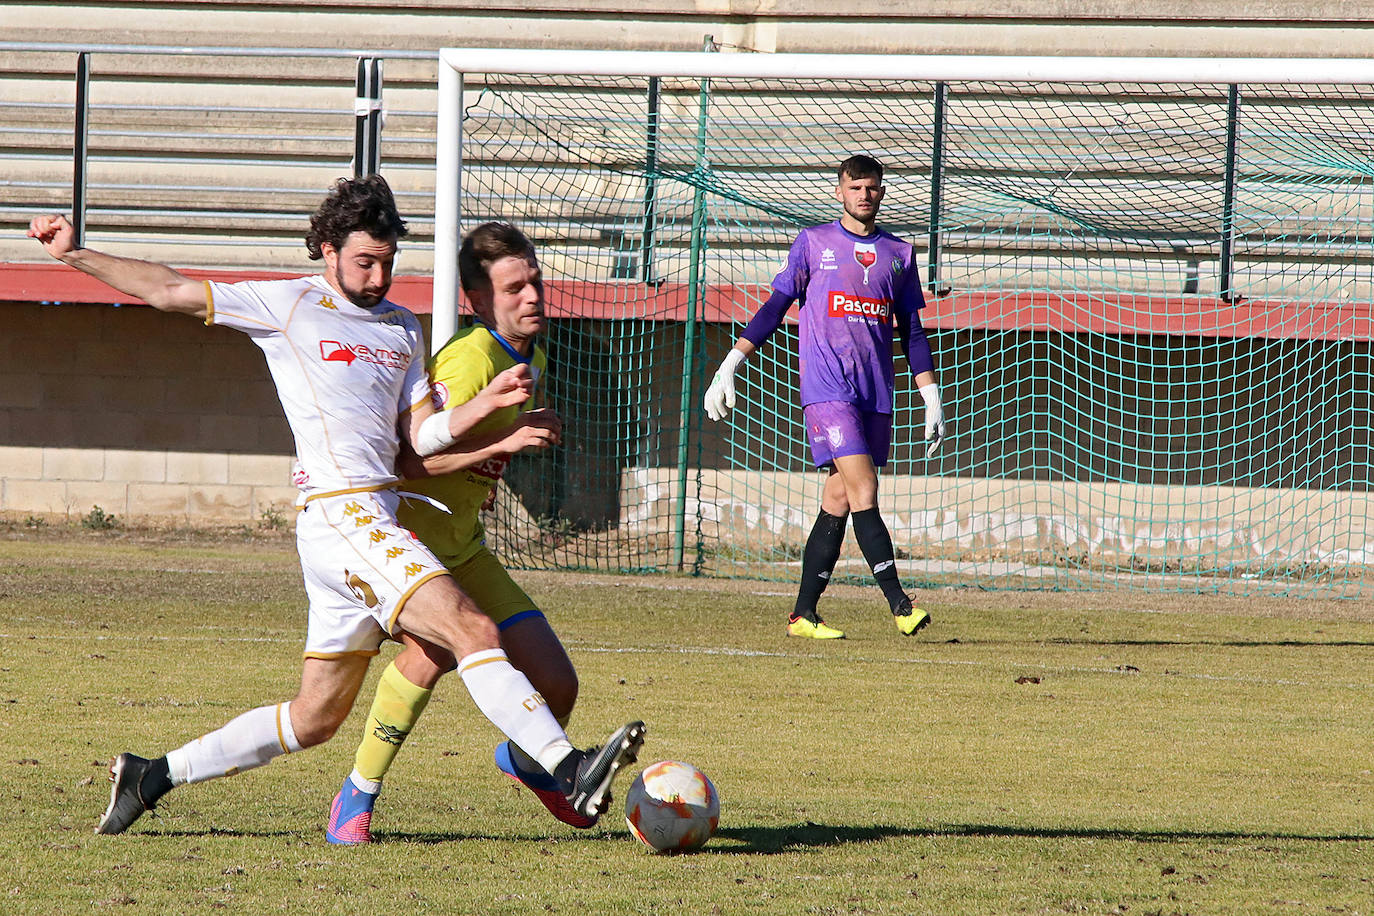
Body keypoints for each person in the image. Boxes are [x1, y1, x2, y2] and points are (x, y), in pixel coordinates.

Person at [27, 175, 645, 837]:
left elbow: (422, 438)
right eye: (364, 262)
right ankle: (570, 767)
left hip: (372, 522)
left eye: (387, 262)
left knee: (313, 719)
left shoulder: (403, 329)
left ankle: (150, 776)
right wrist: (75, 253)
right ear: (326, 249)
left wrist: (483, 409)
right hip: (339, 515)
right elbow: (170, 289)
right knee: (472, 629)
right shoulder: (287, 304)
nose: (378, 277)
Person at [326, 222, 590, 844]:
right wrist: (508, 440)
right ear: (477, 300)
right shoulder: (470, 359)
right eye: (514, 288)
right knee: (436, 650)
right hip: (408, 545)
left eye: (536, 283)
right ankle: (355, 798)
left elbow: (484, 442)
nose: (532, 297)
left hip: (464, 544)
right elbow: (409, 461)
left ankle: (527, 762)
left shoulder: (532, 352)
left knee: (557, 683)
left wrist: (526, 427)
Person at [704, 154, 945, 640]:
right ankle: (900, 604)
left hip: (875, 392)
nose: (865, 195)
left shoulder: (899, 253)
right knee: (864, 489)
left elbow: (912, 331)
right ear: (840, 191)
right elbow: (775, 307)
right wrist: (730, 364)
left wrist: (931, 396)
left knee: (837, 497)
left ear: (881, 192)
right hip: (827, 391)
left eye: (872, 187)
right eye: (855, 187)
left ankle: (802, 616)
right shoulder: (814, 243)